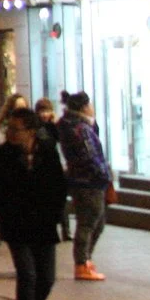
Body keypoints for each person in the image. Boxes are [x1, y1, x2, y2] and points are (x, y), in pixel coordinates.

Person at [0, 106, 69, 300]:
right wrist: (7, 212)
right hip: (17, 225)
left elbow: (59, 187)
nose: (10, 133)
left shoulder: (48, 152)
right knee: (27, 274)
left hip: (44, 225)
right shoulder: (2, 154)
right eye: (8, 128)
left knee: (47, 278)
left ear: (31, 131)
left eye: (16, 129)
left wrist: (54, 214)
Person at [57, 91, 113, 281]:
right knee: (89, 223)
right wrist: (103, 174)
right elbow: (90, 156)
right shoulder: (81, 129)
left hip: (83, 181)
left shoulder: (72, 126)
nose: (92, 108)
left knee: (95, 222)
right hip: (90, 182)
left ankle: (85, 260)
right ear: (84, 107)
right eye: (90, 104)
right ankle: (82, 263)